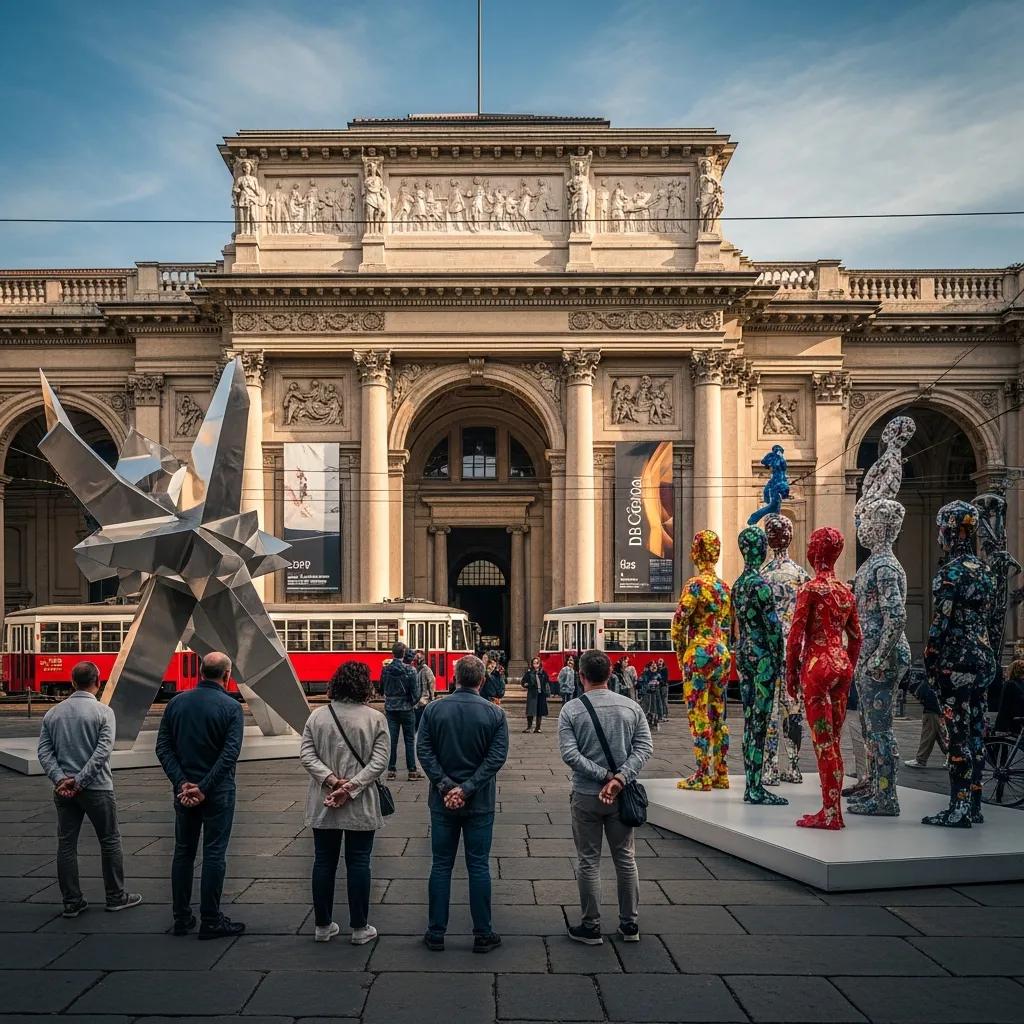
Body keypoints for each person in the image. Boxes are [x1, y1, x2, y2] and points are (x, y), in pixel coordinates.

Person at [558, 649, 653, 945]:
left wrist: (604, 776)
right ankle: (629, 925)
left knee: (588, 860)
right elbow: (644, 748)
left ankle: (591, 926)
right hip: (622, 797)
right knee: (625, 859)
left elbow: (570, 754)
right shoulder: (631, 707)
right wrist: (620, 779)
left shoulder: (571, 710)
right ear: (611, 674)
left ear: (581, 675)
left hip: (586, 795)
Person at [416, 654, 509, 953]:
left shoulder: (434, 709)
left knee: (441, 865)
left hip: (442, 801)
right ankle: (483, 934)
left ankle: (435, 933)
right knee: (478, 866)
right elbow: (496, 758)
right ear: (482, 680)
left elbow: (424, 751)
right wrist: (467, 789)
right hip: (480, 802)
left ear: (455, 678)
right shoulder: (495, 714)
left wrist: (446, 786)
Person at [36, 660, 143, 918]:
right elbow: (102, 753)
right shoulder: (104, 713)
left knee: (66, 844)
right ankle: (116, 896)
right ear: (98, 681)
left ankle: (72, 901)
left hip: (64, 791)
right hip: (98, 788)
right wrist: (81, 781)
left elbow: (44, 752)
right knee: (109, 841)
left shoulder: (53, 714)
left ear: (72, 682)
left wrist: (61, 779)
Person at [156, 651, 245, 938]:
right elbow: (229, 754)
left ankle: (182, 918)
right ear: (227, 675)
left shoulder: (176, 703)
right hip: (218, 792)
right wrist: (204, 787)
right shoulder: (231, 707)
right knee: (214, 853)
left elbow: (163, 748)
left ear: (200, 672)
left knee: (183, 852)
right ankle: (211, 919)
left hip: (183, 793)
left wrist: (182, 782)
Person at [299, 660, 389, 945]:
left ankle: (322, 926)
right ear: (365, 685)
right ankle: (360, 928)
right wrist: (351, 787)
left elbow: (306, 755)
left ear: (335, 683)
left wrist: (331, 781)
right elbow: (379, 762)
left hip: (324, 801)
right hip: (360, 803)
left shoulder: (317, 716)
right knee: (359, 862)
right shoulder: (375, 718)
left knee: (323, 862)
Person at [381, 641, 423, 782]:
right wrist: (411, 702)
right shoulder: (410, 670)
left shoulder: (386, 669)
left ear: (392, 653)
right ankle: (412, 771)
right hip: (407, 709)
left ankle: (391, 771)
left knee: (392, 740)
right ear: (404, 653)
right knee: (409, 740)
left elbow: (381, 688)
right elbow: (416, 693)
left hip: (391, 709)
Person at [904, 675, 949, 769]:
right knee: (940, 735)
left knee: (929, 734)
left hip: (932, 708)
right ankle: (952, 758)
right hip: (934, 707)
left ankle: (921, 760)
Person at [522, 656, 550, 733]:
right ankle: (529, 727)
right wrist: (526, 684)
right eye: (534, 663)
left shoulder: (543, 672)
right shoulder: (529, 673)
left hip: (541, 694)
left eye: (537, 663)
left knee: (539, 711)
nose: (535, 665)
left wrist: (546, 690)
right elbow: (523, 682)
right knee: (530, 711)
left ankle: (538, 728)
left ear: (539, 663)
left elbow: (547, 681)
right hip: (532, 694)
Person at [415, 651, 436, 731]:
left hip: (422, 703)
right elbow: (432, 683)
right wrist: (432, 697)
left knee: (420, 727)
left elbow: (431, 683)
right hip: (419, 703)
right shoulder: (418, 670)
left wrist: (432, 696)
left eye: (418, 658)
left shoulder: (425, 670)